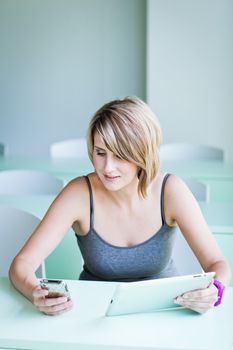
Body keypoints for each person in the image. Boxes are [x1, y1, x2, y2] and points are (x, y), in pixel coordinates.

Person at [9, 96, 231, 316]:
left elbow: (217, 263)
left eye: (121, 156)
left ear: (143, 154)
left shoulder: (171, 190)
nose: (108, 168)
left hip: (165, 311)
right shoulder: (79, 193)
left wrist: (216, 290)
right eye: (100, 153)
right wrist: (35, 292)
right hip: (94, 313)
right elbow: (22, 264)